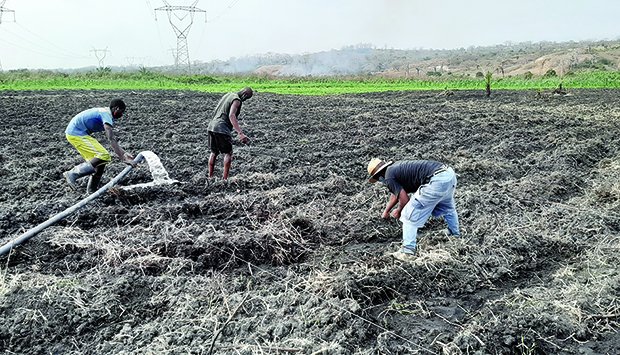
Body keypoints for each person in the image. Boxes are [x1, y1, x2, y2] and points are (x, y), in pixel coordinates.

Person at [367, 158, 460, 261]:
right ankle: (454, 234)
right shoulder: (394, 169)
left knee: (408, 215)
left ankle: (408, 252)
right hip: (448, 175)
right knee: (448, 208)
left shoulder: (388, 176)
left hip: (436, 181)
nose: (380, 181)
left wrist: (399, 211)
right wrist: (386, 211)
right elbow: (395, 194)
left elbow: (404, 199)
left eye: (377, 179)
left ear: (378, 175)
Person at [63, 98, 136, 194]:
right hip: (76, 133)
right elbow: (111, 138)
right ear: (116, 108)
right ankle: (72, 173)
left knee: (100, 163)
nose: (122, 115)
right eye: (121, 111)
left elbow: (112, 140)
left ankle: (92, 192)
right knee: (103, 155)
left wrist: (124, 153)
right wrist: (123, 158)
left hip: (77, 133)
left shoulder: (105, 112)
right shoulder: (106, 115)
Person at [207, 87, 253, 180]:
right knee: (228, 153)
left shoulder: (228, 95)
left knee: (214, 152)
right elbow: (232, 115)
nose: (245, 100)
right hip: (222, 128)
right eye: (247, 98)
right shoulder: (237, 100)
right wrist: (240, 133)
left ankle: (210, 176)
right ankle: (225, 179)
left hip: (211, 126)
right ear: (245, 94)